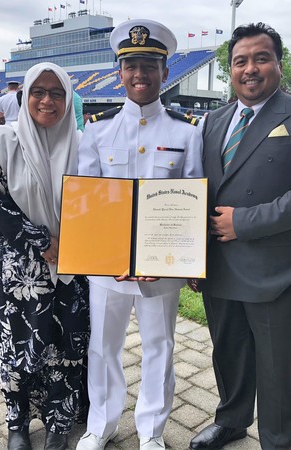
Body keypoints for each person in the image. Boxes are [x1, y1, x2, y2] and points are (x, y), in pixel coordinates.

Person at [188, 22, 291, 450]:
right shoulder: (214, 120)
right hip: (220, 265)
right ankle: (232, 421)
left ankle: (275, 440)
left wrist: (244, 222)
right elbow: (201, 189)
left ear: (278, 64)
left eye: (260, 58)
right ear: (229, 70)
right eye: (240, 61)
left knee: (277, 368)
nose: (249, 68)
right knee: (229, 354)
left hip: (277, 269)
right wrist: (192, 256)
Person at [76, 19, 203, 450]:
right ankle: (102, 424)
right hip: (106, 266)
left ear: (165, 72)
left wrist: (175, 261)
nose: (140, 75)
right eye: (131, 66)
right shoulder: (96, 129)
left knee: (159, 348)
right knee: (103, 347)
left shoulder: (187, 131)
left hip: (160, 266)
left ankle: (151, 432)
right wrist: (108, 256)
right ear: (119, 73)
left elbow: (191, 202)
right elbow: (88, 204)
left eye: (150, 65)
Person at [0, 62, 89, 450]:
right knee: (18, 342)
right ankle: (18, 424)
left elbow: (101, 204)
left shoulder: (83, 145)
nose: (47, 100)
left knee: (67, 345)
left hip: (74, 267)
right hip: (18, 269)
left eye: (57, 93)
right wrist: (42, 241)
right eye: (38, 92)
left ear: (68, 99)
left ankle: (61, 423)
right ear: (25, 96)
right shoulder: (1, 141)